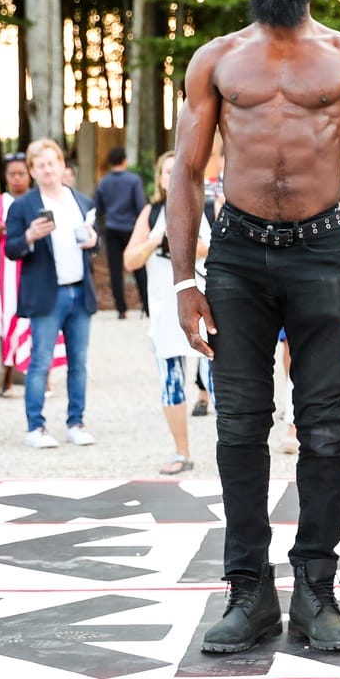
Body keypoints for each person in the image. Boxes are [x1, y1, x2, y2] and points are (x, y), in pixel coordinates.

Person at [167, 0, 340, 655]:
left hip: (322, 253)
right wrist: (182, 280)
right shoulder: (217, 61)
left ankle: (317, 591)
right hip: (235, 257)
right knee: (238, 426)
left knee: (324, 429)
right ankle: (247, 594)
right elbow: (184, 174)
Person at [4, 138, 101, 449]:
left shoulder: (82, 202)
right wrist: (30, 235)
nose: (48, 169)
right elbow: (11, 249)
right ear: (32, 171)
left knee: (79, 362)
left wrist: (93, 241)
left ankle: (76, 422)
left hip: (78, 290)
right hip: (47, 293)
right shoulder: (23, 206)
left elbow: (94, 244)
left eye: (52, 162)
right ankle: (36, 427)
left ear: (62, 165)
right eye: (40, 165)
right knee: (41, 361)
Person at [125, 152, 211, 474]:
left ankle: (232, 452)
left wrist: (186, 241)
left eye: (180, 170)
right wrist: (154, 242)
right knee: (171, 382)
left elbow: (223, 249)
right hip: (165, 311)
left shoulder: (211, 208)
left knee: (222, 384)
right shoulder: (151, 213)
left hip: (209, 307)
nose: (173, 177)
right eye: (167, 172)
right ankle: (182, 452)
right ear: (160, 179)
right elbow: (130, 259)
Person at [0, 151, 61, 396]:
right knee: (6, 321)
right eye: (12, 174)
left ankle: (42, 379)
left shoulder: (40, 199)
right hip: (4, 270)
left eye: (21, 173)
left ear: (30, 174)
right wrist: (9, 224)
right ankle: (5, 380)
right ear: (5, 176)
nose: (17, 178)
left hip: (34, 267)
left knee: (38, 321)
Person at [95, 145, 149, 319]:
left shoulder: (104, 182)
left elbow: (97, 207)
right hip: (132, 230)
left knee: (115, 270)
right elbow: (140, 205)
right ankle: (147, 306)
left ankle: (121, 309)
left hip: (112, 229)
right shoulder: (133, 180)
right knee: (139, 267)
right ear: (124, 160)